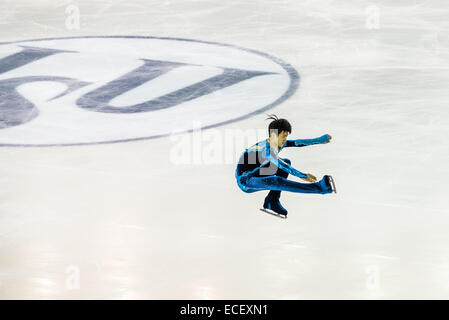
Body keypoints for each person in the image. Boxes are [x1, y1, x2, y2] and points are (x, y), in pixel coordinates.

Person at [235, 114, 336, 217]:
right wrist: (303, 176)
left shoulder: (276, 143)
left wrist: (320, 140)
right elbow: (280, 163)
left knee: (286, 162)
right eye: (283, 136)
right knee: (277, 180)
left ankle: (272, 201)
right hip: (245, 181)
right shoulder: (266, 150)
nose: (285, 140)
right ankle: (319, 188)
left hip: (256, 173)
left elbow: (298, 143)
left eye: (286, 136)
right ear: (274, 135)